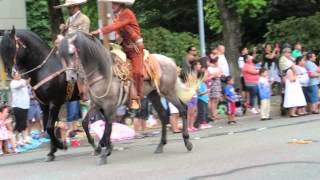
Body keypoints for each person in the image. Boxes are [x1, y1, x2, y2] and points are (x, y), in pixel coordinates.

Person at [90, 0, 143, 110]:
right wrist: (119, 36)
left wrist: (99, 31)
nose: (112, 5)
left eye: (115, 3)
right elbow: (118, 30)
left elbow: (116, 26)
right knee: (110, 63)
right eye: (112, 3)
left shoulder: (127, 13)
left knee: (137, 73)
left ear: (121, 4)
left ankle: (137, 98)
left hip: (135, 49)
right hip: (123, 48)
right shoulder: (116, 15)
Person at [55, 0, 90, 100]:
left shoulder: (84, 19)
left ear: (75, 6)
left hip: (80, 50)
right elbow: (66, 34)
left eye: (69, 7)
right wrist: (63, 30)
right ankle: (70, 93)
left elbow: (83, 36)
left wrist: (67, 36)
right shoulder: (69, 20)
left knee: (81, 73)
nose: (67, 9)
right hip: (68, 50)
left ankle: (84, 94)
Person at [10, 72, 30, 146]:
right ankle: (17, 139)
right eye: (17, 75)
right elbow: (22, 85)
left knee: (24, 123)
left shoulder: (22, 80)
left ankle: (24, 138)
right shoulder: (13, 83)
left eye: (19, 74)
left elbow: (27, 83)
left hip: (25, 105)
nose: (19, 76)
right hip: (18, 106)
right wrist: (29, 79)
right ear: (13, 76)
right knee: (19, 123)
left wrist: (28, 79)